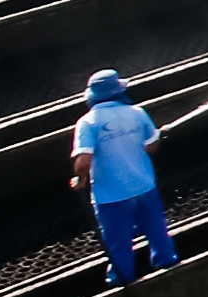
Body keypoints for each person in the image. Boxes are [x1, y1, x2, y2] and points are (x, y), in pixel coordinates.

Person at [69, 68, 178, 280]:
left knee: (119, 244)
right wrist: (158, 135)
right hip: (144, 186)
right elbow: (151, 147)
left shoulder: (87, 123)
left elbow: (83, 160)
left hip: (112, 196)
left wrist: (80, 180)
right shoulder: (137, 112)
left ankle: (122, 282)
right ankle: (170, 270)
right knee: (158, 233)